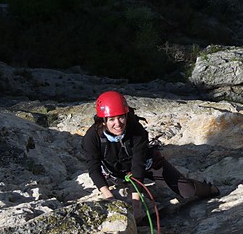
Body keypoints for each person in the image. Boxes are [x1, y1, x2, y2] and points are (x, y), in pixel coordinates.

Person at [81, 90, 219, 220]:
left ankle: (209, 189)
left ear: (126, 115)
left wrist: (136, 203)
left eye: (121, 117)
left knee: (187, 191)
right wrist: (110, 199)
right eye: (112, 119)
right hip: (115, 173)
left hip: (146, 164)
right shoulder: (92, 137)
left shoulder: (136, 130)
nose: (118, 124)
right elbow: (93, 168)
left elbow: (138, 164)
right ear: (103, 120)